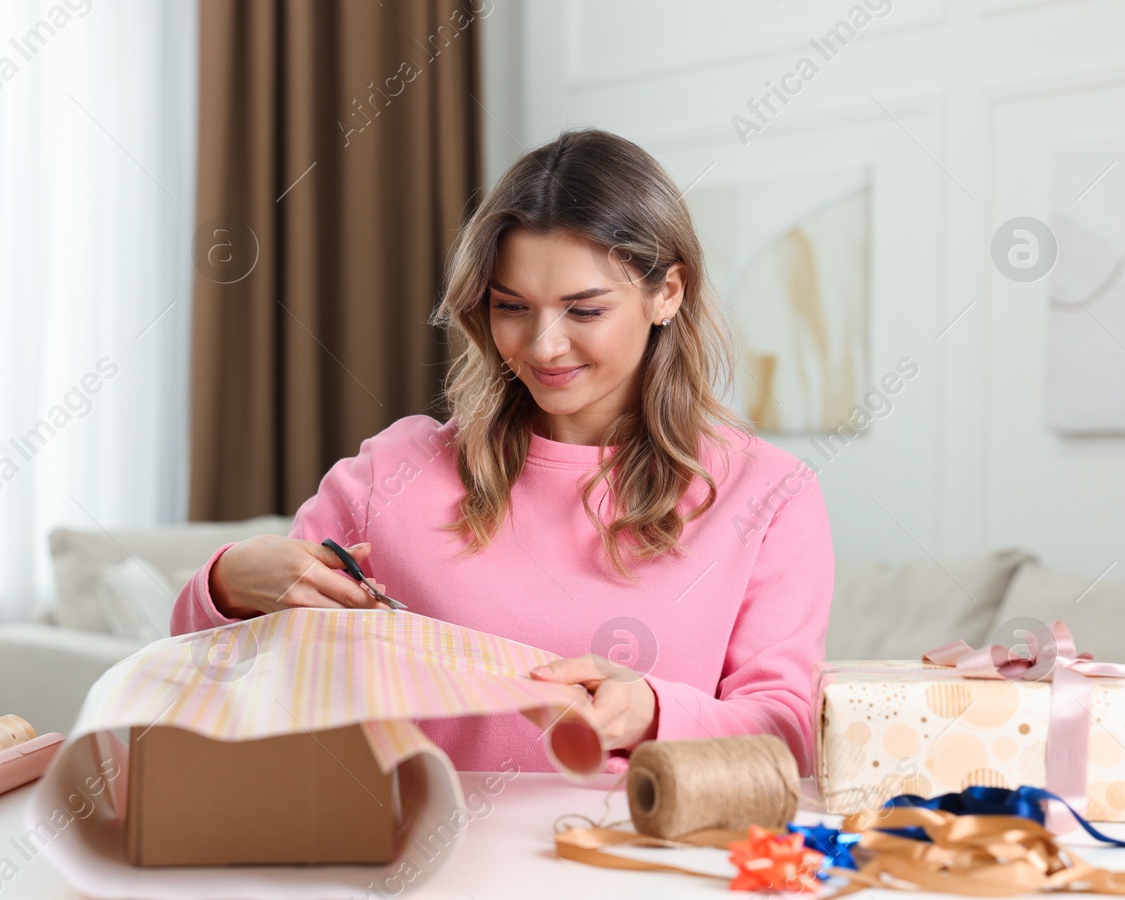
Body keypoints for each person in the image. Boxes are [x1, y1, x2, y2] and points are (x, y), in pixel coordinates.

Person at [170, 127, 833, 778]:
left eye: (584, 310)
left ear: (668, 293)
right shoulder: (393, 473)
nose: (543, 347)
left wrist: (654, 713)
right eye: (512, 306)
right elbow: (223, 681)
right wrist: (227, 586)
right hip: (426, 870)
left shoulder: (769, 494)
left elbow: (788, 737)